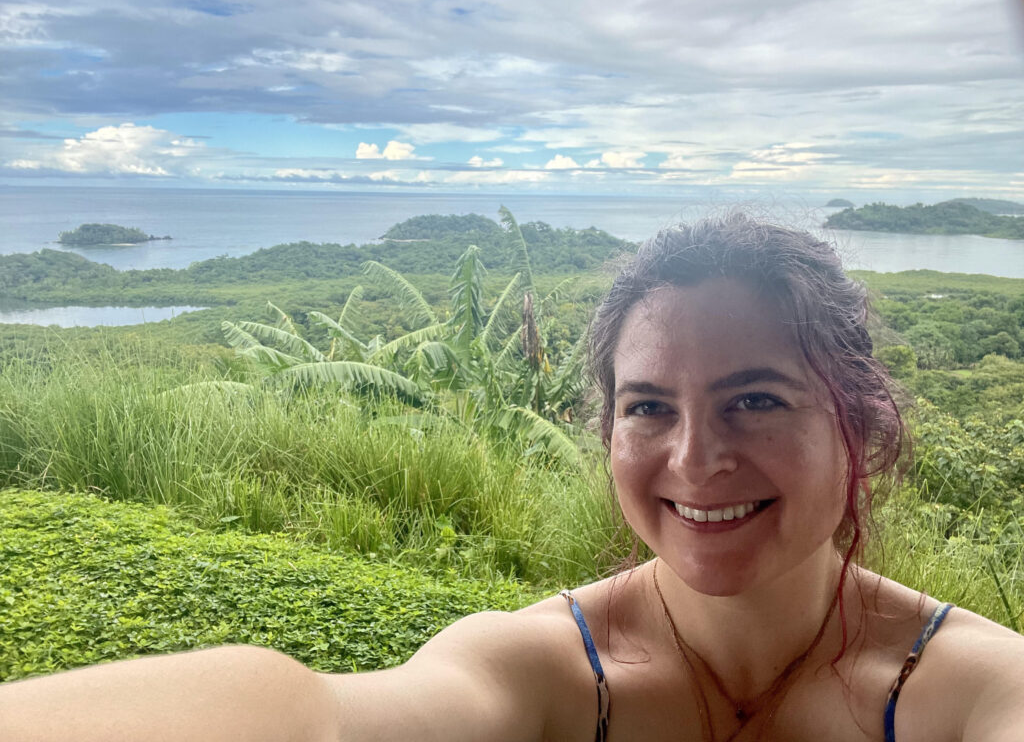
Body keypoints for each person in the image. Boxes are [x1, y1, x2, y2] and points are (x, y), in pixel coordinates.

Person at [1, 216, 1022, 742]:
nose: (695, 458)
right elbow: (320, 716)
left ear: (859, 423)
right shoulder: (535, 673)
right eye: (647, 406)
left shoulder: (974, 691)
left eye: (755, 400)